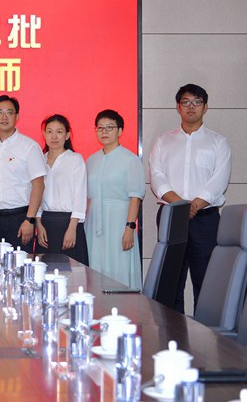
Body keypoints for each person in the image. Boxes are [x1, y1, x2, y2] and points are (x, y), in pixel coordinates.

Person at [149, 84, 231, 313]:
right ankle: (172, 332)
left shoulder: (218, 142)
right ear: (178, 107)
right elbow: (157, 177)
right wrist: (181, 205)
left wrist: (192, 206)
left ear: (205, 107)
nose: (191, 106)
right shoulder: (163, 141)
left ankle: (205, 334)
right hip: (171, 216)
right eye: (186, 102)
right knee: (171, 281)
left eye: (197, 102)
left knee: (205, 281)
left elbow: (218, 181)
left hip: (205, 219)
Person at [0, 95, 46, 252]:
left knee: (20, 264)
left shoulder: (29, 146)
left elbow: (39, 185)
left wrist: (29, 220)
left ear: (17, 116)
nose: (4, 117)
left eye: (9, 112)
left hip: (20, 218)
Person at [85, 110, 145, 289]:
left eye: (109, 127)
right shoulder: (91, 160)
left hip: (119, 221)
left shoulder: (130, 160)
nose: (104, 132)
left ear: (120, 131)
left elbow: (135, 197)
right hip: (94, 221)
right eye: (100, 128)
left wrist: (130, 228)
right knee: (94, 267)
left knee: (119, 267)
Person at [35, 114, 89, 265]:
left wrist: (72, 228)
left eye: (59, 132)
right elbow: (34, 194)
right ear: (44, 134)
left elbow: (80, 195)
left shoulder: (75, 160)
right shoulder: (39, 160)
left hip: (69, 223)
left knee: (71, 273)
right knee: (44, 270)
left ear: (67, 135)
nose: (54, 136)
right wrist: (38, 224)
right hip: (45, 224)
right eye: (49, 131)